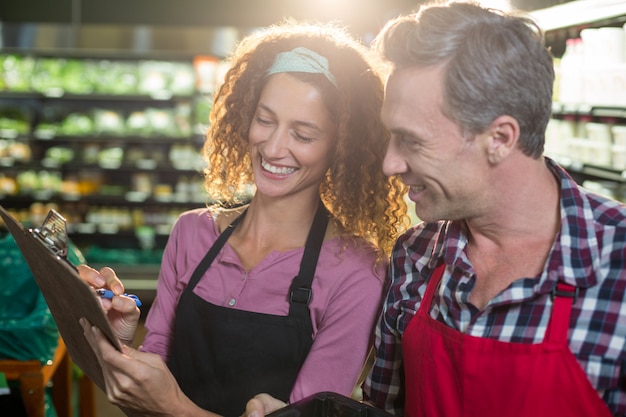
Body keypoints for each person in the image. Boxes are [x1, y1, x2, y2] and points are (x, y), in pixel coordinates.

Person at [77, 19, 409, 417]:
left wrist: (173, 407)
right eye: (265, 120)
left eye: (302, 134)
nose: (272, 147)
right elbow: (144, 400)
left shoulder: (356, 273)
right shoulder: (192, 233)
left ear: (341, 149)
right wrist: (119, 345)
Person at [355, 1, 626, 417]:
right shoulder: (414, 256)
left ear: (499, 138)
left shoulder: (617, 269)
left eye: (411, 140)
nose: (389, 164)